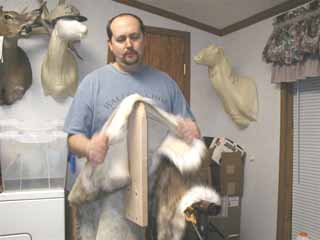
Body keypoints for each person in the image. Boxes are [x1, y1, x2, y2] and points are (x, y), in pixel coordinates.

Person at [64, 13, 200, 240]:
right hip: (110, 194)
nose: (129, 44)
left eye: (134, 37)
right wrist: (89, 147)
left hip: (159, 192)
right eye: (121, 38)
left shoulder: (166, 83)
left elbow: (190, 129)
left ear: (144, 39)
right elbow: (72, 138)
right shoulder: (93, 83)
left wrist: (191, 133)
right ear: (110, 44)